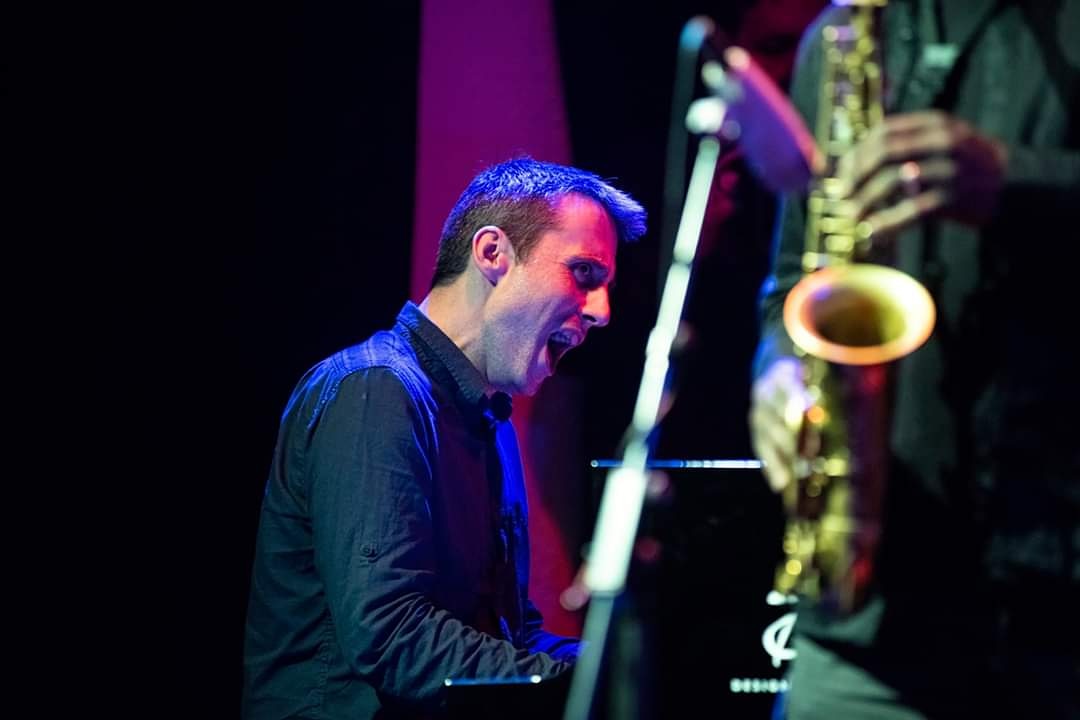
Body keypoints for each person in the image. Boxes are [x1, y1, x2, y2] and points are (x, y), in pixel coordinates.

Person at [749, 1, 1079, 718]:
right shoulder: (843, 38)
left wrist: (1018, 180)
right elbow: (791, 285)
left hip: (1056, 603)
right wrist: (778, 368)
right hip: (869, 622)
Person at [242, 157, 647, 719]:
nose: (603, 312)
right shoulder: (377, 390)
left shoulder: (488, 419)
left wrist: (626, 674)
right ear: (492, 254)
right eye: (583, 274)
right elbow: (390, 635)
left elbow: (509, 634)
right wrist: (580, 689)